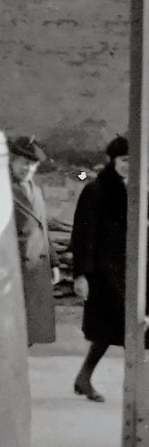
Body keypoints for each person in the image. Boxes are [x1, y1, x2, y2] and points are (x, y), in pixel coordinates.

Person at [72, 134, 130, 401]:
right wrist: (81, 274)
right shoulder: (96, 190)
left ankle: (85, 378)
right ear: (112, 160)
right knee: (108, 329)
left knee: (129, 329)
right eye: (123, 160)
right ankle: (85, 377)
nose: (128, 165)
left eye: (134, 160)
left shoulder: (141, 188)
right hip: (106, 272)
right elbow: (84, 236)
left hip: (135, 270)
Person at [8, 134, 55, 346]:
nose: (28, 169)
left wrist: (53, 262)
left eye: (33, 165)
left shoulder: (35, 190)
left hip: (37, 266)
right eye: (24, 163)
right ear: (12, 160)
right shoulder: (2, 189)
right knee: (14, 328)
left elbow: (43, 227)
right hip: (14, 267)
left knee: (31, 328)